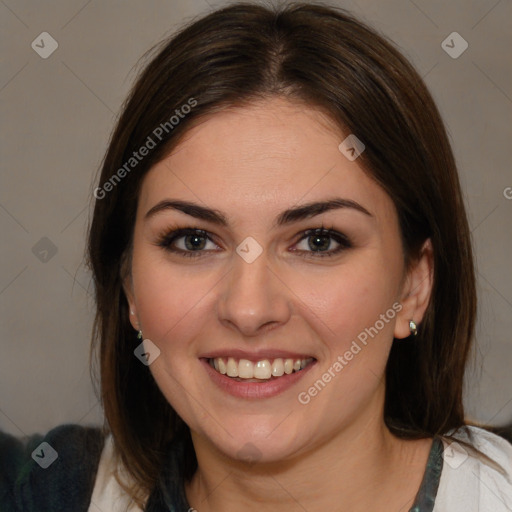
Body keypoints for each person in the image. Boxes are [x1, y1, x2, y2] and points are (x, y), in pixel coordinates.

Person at [1, 2, 511, 511]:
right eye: (194, 241)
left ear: (413, 286)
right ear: (130, 284)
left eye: (318, 241)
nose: (248, 309)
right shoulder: (44, 489)